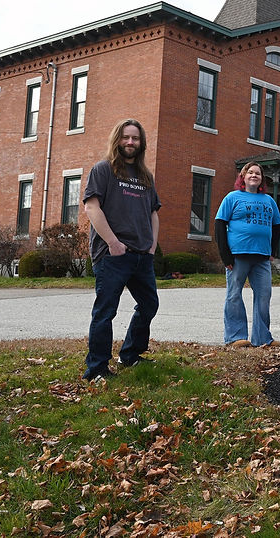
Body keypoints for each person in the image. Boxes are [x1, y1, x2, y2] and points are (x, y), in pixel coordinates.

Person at [82, 119, 161, 381]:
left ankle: (130, 355)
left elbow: (153, 213)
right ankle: (96, 369)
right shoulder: (103, 170)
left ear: (141, 143)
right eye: (126, 137)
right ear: (117, 140)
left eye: (135, 138)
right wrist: (113, 243)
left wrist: (152, 246)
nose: (130, 142)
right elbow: (92, 208)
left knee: (149, 304)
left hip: (141, 255)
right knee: (106, 311)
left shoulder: (145, 177)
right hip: (113, 255)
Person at [214, 161, 280, 348]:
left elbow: (277, 226)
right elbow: (220, 225)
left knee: (264, 295)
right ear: (243, 177)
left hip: (261, 257)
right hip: (237, 256)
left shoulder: (269, 201)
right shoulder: (232, 197)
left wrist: (272, 251)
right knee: (234, 294)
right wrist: (225, 256)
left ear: (261, 179)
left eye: (258, 174)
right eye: (250, 172)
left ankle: (262, 338)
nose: (254, 175)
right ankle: (235, 337)